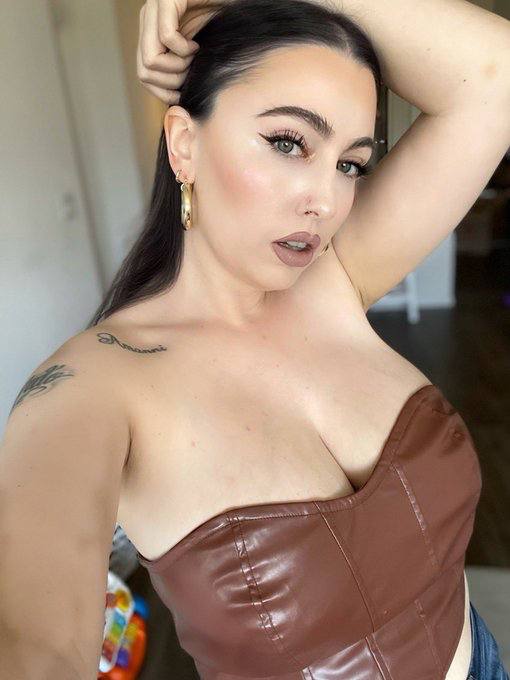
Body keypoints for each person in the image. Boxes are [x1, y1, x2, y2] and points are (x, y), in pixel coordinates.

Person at [1, 0, 510, 678]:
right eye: (289, 143)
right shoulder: (89, 389)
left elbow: (496, 75)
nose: (324, 201)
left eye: (351, 164)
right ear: (184, 145)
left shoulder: (334, 276)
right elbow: (35, 650)